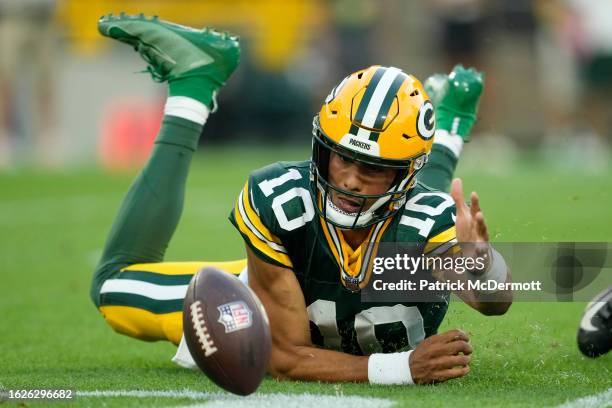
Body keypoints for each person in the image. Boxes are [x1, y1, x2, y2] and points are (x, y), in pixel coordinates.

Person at [91, 13, 512, 386]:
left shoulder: (431, 218)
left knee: (411, 223)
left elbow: (496, 301)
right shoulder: (281, 201)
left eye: (372, 169)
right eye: (341, 158)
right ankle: (193, 86)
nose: (349, 180)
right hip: (267, 294)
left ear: (404, 175)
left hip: (397, 224)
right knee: (112, 286)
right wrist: (402, 368)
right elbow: (285, 357)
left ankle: (450, 122)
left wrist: (482, 262)